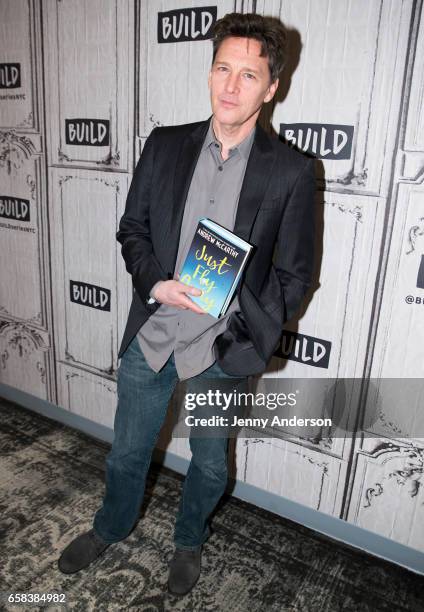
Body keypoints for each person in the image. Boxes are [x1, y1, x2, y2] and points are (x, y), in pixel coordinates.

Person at [58, 12, 315, 596]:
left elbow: (295, 274)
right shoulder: (166, 144)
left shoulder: (292, 172)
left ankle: (189, 539)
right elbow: (133, 230)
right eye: (222, 68)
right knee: (125, 454)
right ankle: (111, 527)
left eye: (248, 75)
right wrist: (156, 284)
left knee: (209, 467)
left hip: (222, 349)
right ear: (209, 72)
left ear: (271, 87)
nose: (230, 86)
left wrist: (244, 325)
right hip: (153, 334)